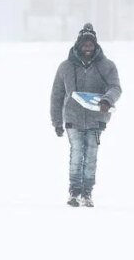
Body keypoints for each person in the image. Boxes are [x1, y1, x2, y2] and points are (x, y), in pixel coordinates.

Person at [50, 23, 121, 207]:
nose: (87, 48)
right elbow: (57, 96)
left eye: (90, 45)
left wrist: (107, 100)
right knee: (76, 155)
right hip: (73, 119)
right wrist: (57, 122)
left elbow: (115, 87)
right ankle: (74, 192)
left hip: (96, 120)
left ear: (95, 45)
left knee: (91, 156)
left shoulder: (106, 66)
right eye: (84, 45)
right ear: (78, 45)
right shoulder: (65, 67)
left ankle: (87, 193)